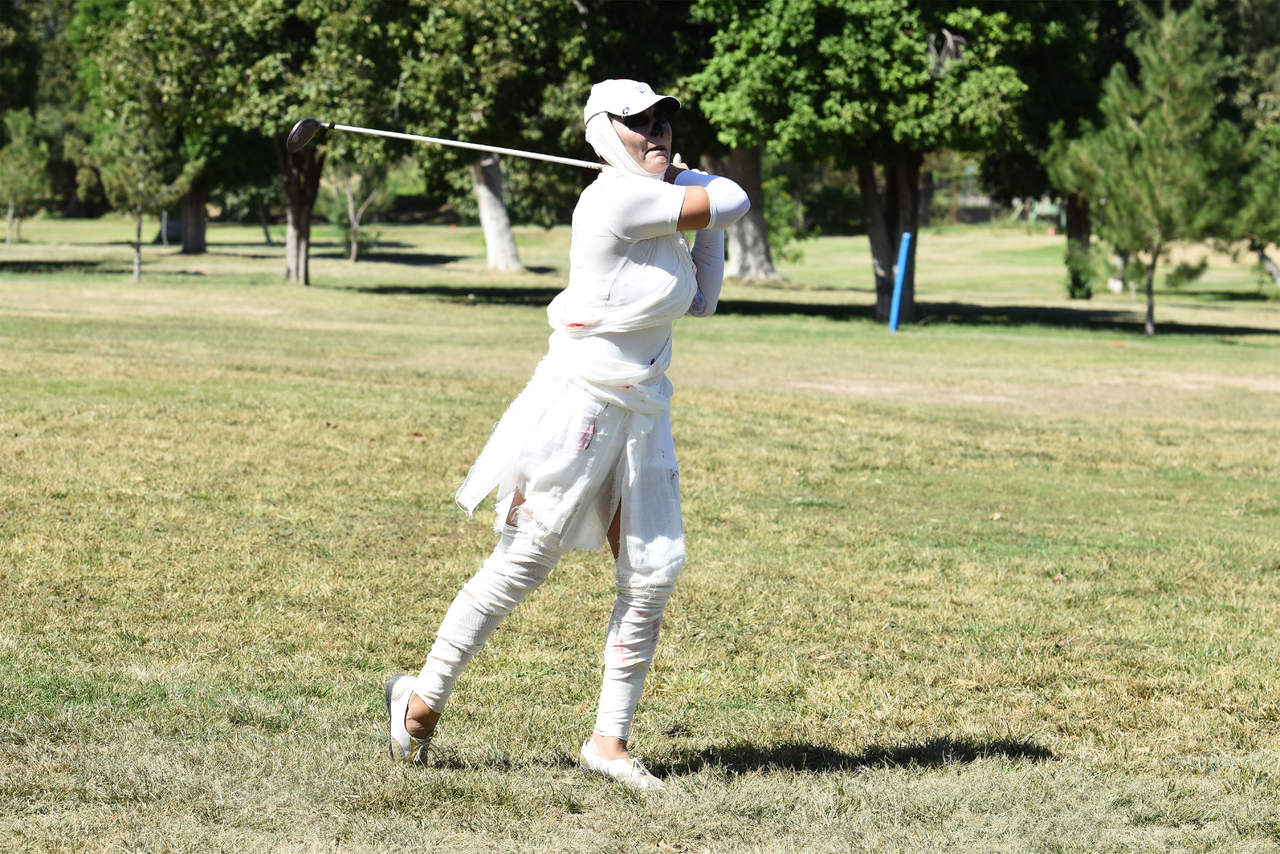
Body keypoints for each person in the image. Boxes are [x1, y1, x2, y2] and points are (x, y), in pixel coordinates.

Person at [383, 79, 750, 791]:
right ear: (606, 133)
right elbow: (731, 200)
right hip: (580, 407)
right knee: (525, 559)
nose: (657, 133)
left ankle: (608, 743)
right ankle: (420, 702)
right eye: (639, 123)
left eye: (664, 122)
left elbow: (702, 300)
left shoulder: (654, 204)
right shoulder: (618, 197)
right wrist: (697, 183)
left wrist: (695, 214)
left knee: (651, 575)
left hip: (643, 411)